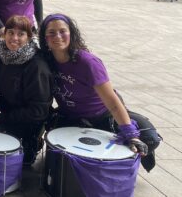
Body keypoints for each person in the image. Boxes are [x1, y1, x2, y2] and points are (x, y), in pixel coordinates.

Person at [39, 13, 160, 171]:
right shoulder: (45, 60)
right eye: (51, 32)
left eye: (63, 31)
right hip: (71, 117)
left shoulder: (88, 63)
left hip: (103, 115)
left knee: (149, 139)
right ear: (45, 38)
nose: (58, 36)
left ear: (71, 34)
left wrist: (131, 134)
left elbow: (113, 102)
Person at [0, 15, 52, 165]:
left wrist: (2, 117)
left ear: (29, 37)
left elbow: (38, 111)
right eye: (10, 32)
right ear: (4, 34)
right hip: (4, 109)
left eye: (21, 34)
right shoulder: (0, 54)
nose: (14, 38)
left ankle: (32, 143)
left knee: (14, 159)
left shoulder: (37, 66)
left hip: (26, 119)